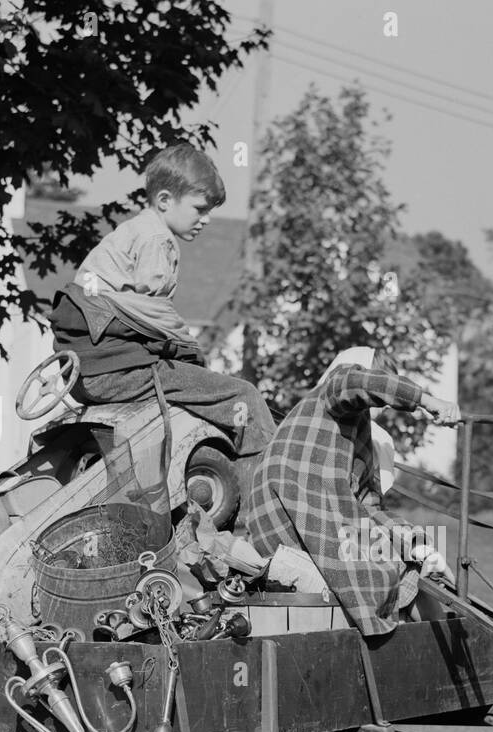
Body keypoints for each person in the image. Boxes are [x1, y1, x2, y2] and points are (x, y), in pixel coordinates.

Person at [48, 142, 275, 479]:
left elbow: (135, 315)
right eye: (199, 208)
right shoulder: (157, 240)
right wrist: (195, 355)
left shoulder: (130, 232)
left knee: (199, 384)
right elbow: (155, 314)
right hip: (117, 370)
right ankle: (272, 487)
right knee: (244, 396)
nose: (207, 219)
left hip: (83, 372)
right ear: (166, 200)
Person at [243, 348, 457, 637]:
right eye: (382, 380)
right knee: (401, 577)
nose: (384, 406)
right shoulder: (332, 394)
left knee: (402, 564)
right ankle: (436, 653)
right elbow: (358, 383)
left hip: (293, 529)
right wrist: (426, 400)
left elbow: (370, 508)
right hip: (295, 524)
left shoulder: (359, 441)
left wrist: (419, 545)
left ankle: (427, 636)